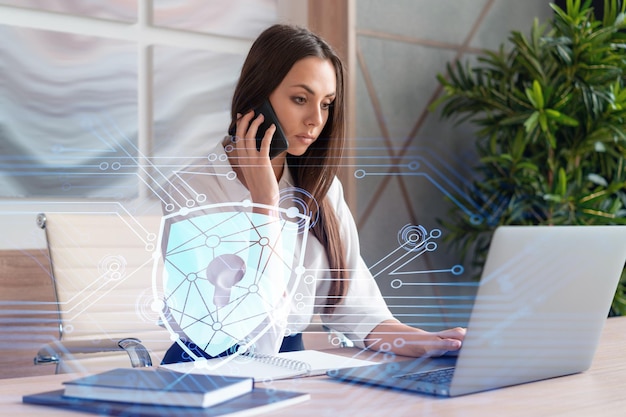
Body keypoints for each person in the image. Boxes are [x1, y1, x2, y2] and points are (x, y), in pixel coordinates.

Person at [159, 24, 465, 364]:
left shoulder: (320, 187)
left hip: (290, 366)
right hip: (207, 370)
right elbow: (250, 334)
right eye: (300, 99)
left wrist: (430, 342)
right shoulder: (193, 189)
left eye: (326, 103)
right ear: (257, 97)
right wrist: (265, 202)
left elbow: (356, 310)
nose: (315, 120)